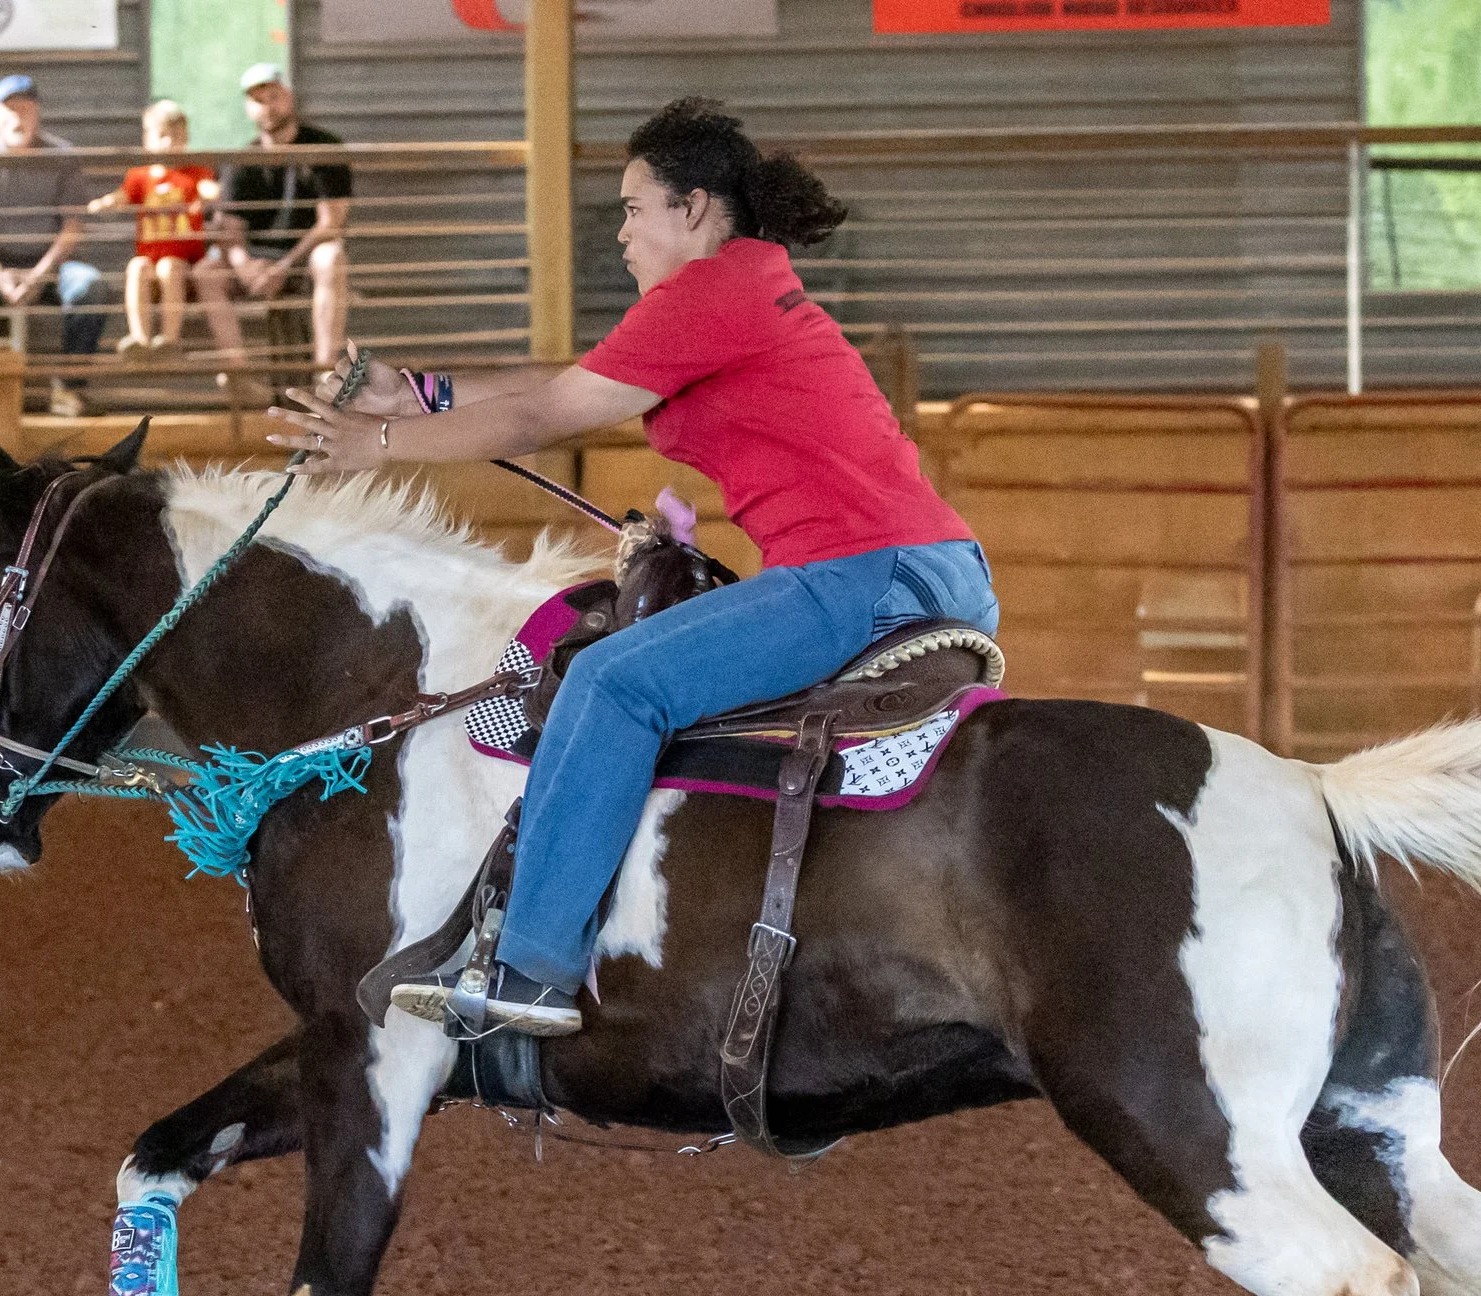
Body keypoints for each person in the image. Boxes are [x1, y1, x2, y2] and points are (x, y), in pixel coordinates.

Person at [274, 97, 995, 1039]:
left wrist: (373, 444)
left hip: (859, 574)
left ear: (691, 209)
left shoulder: (709, 296)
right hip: (909, 564)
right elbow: (568, 386)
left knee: (614, 683)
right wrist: (415, 394)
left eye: (631, 208)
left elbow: (542, 418)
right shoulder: (740, 287)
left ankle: (528, 968)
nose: (620, 232)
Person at [0, 74, 101, 418]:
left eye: (25, 109)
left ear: (38, 114)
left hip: (51, 266)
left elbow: (73, 225)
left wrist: (40, 274)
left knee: (91, 287)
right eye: (9, 110)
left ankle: (69, 388)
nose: (17, 118)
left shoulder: (64, 156)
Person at [196, 64, 351, 374]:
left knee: (331, 257)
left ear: (289, 97)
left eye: (274, 97)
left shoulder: (325, 148)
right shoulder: (243, 160)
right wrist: (244, 266)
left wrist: (284, 266)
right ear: (248, 108)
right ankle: (240, 376)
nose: (267, 106)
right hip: (257, 262)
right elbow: (230, 231)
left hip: (303, 257)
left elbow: (330, 224)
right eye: (258, 100)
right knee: (206, 273)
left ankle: (325, 373)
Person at [88, 100, 216, 360]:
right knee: (136, 267)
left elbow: (209, 190)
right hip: (150, 257)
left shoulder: (195, 172)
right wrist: (106, 202)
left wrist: (211, 193)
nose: (169, 143)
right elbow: (122, 196)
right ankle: (140, 338)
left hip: (185, 261)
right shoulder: (140, 175)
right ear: (148, 140)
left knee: (169, 266)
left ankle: (169, 339)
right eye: (162, 136)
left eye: (177, 136)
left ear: (186, 138)